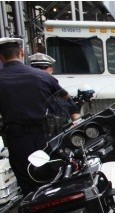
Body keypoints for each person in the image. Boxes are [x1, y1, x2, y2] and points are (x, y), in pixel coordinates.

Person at [0, 38, 70, 196]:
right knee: (52, 177)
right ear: (22, 53)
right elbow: (65, 97)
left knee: (27, 182)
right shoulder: (42, 76)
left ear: (1, 58)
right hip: (46, 137)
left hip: (17, 140)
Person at [27, 53, 81, 123]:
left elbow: (68, 102)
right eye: (35, 68)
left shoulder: (54, 85)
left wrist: (76, 122)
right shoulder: (26, 86)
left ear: (51, 69)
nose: (39, 71)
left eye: (43, 68)